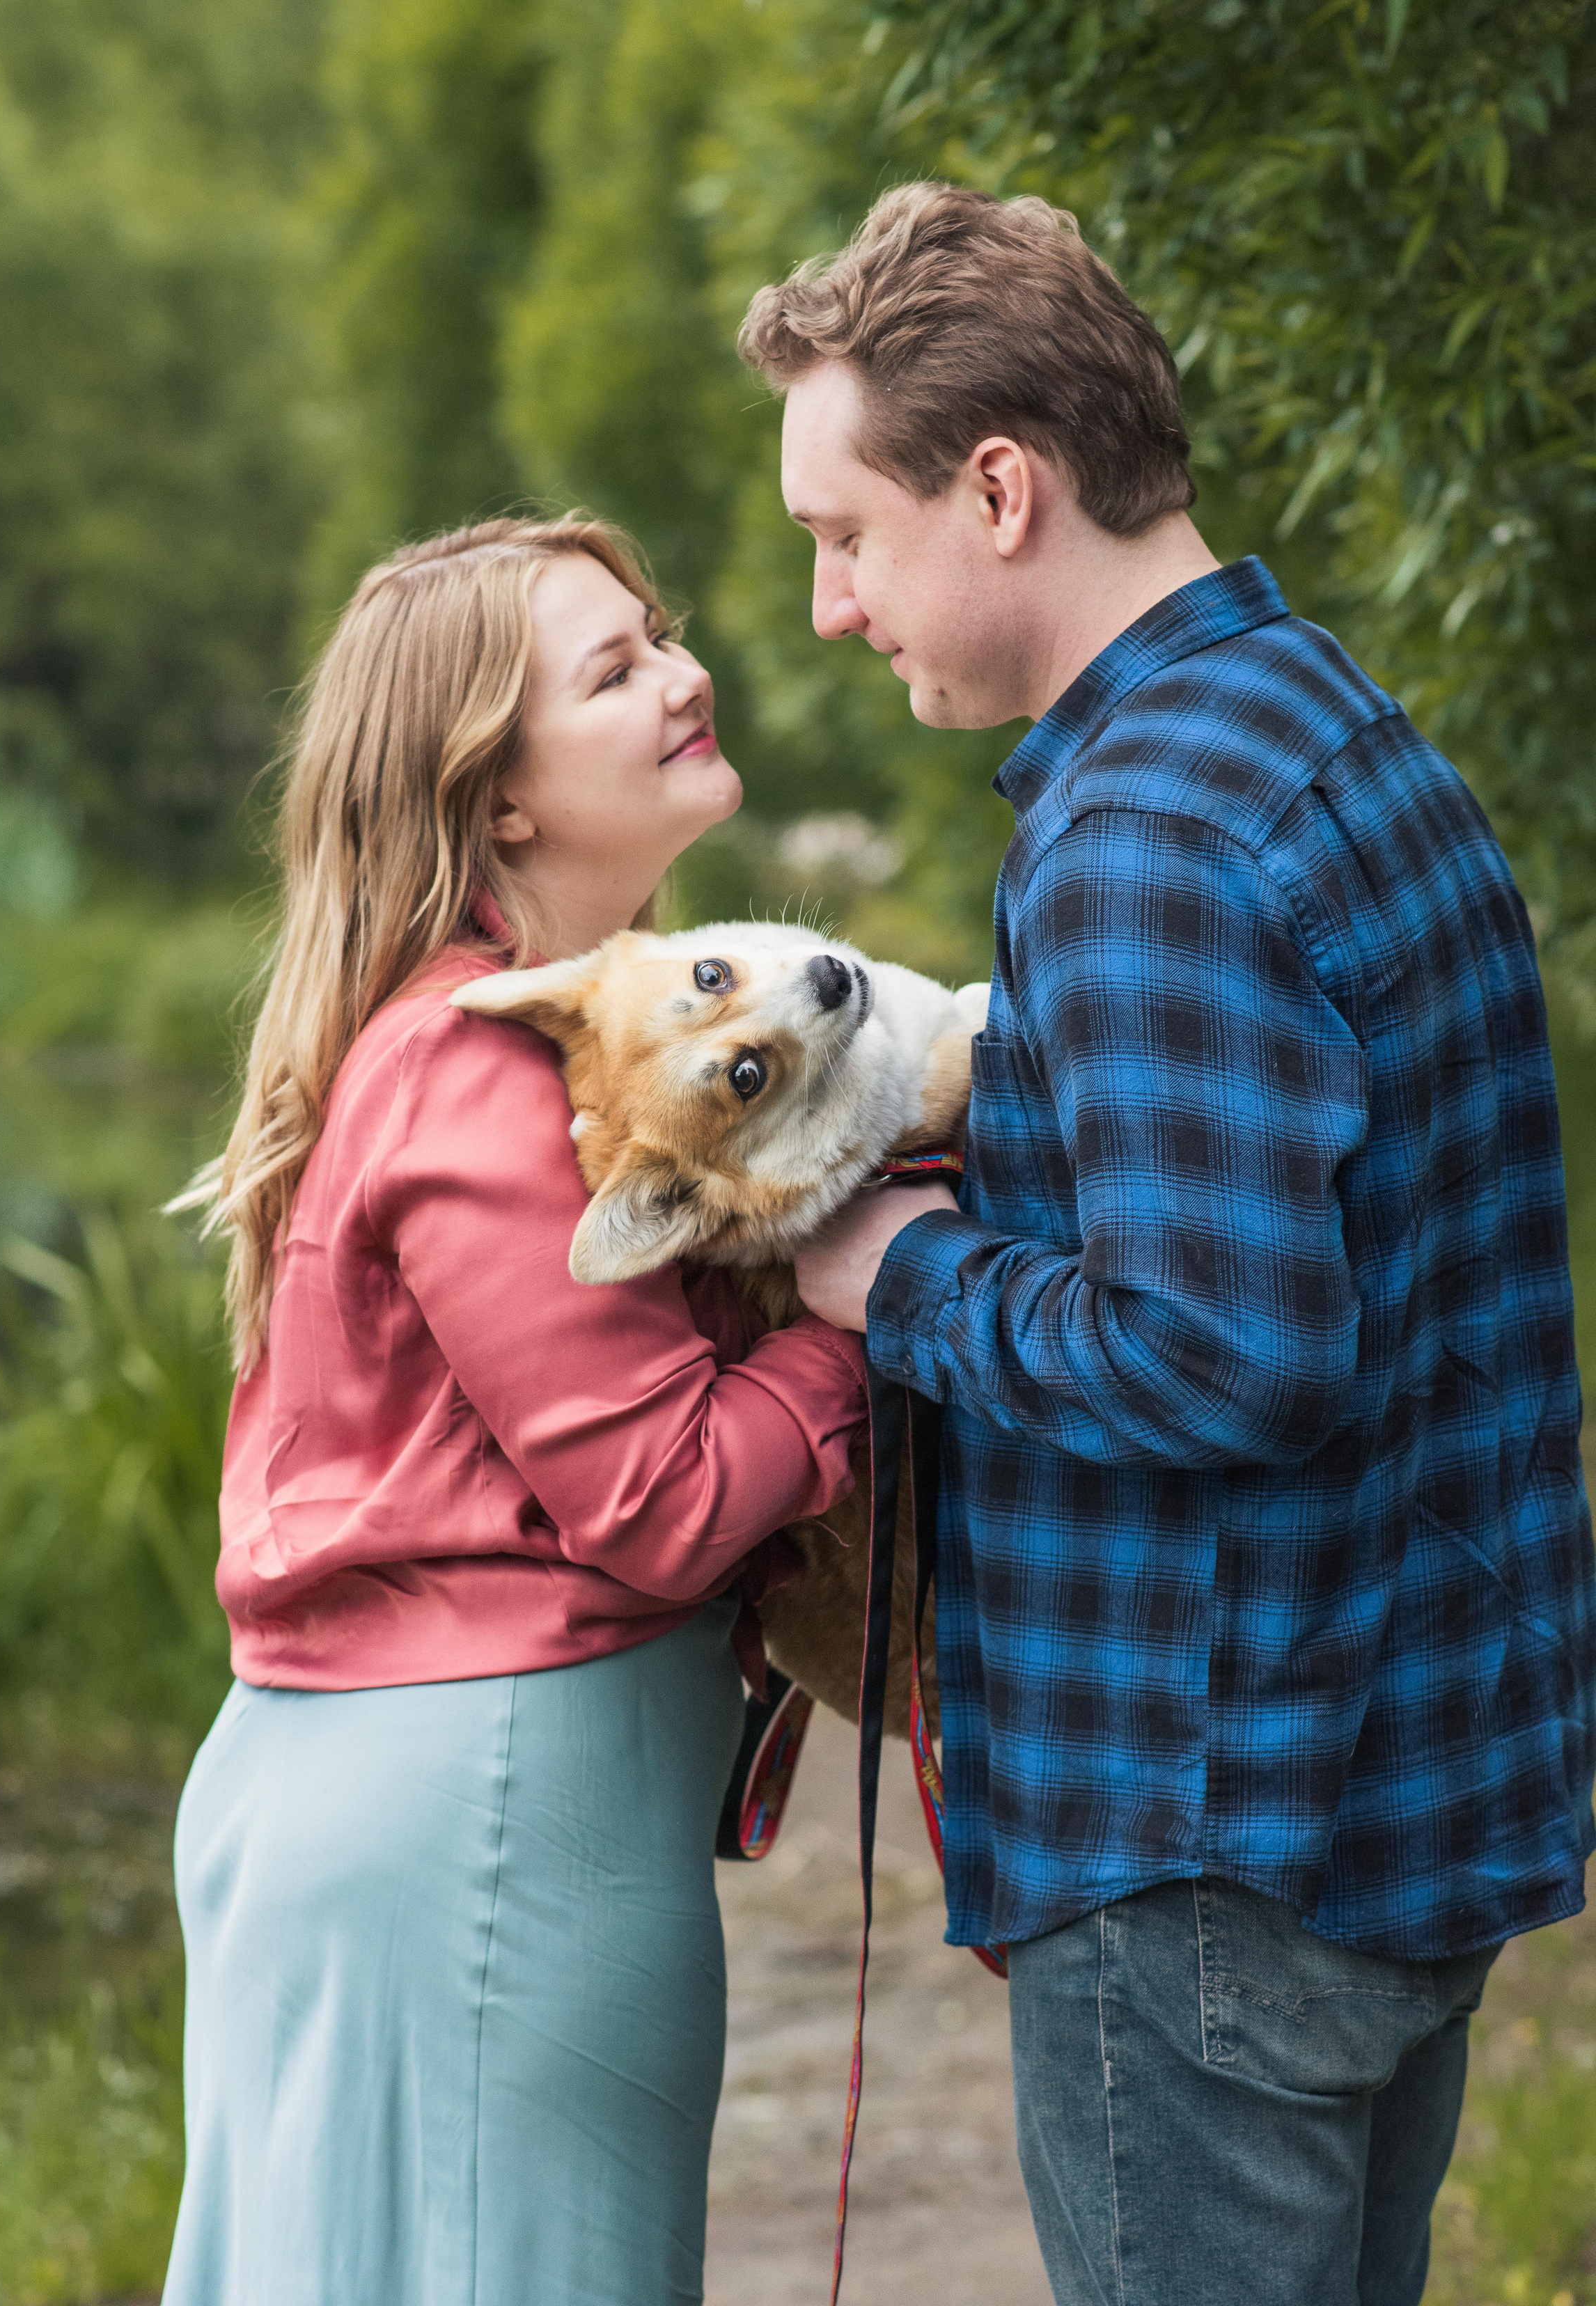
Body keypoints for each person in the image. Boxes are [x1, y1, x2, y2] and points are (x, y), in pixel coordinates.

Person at [742, 182, 1596, 2306]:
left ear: (1003, 490)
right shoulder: (1328, 730)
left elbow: (1230, 1353)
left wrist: (886, 1281)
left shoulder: (1144, 837)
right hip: (1391, 1803)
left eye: (848, 537)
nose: (838, 605)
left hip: (1219, 1849)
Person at [160, 515, 868, 2306]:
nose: (684, 672)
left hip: (419, 1800)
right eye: (613, 669)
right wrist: (875, 1309)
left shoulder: (500, 1038)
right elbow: (670, 1493)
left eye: (663, 635)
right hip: (485, 1827)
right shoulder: (484, 1065)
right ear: (498, 806)